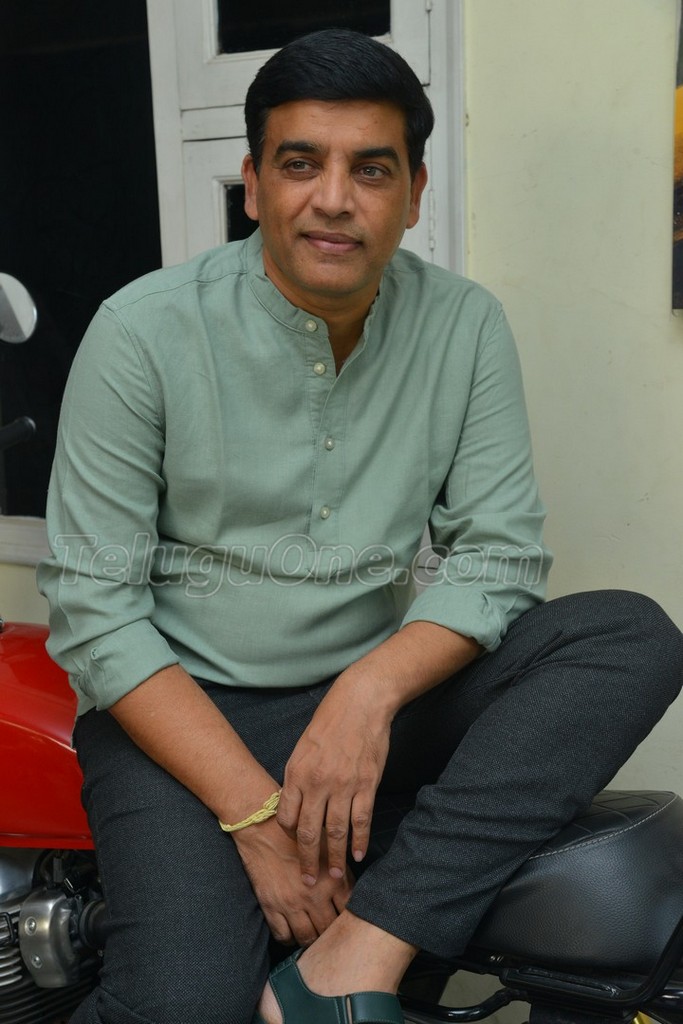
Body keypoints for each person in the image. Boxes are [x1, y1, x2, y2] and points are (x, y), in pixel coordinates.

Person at [37, 28, 683, 1024]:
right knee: (184, 1006)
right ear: (253, 186)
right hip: (180, 711)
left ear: (414, 193)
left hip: (370, 696)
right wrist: (256, 817)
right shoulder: (141, 332)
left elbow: (498, 554)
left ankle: (354, 956)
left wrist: (366, 693)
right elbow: (96, 610)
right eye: (300, 163)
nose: (333, 198)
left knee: (626, 635)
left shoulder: (462, 324)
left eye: (370, 169)